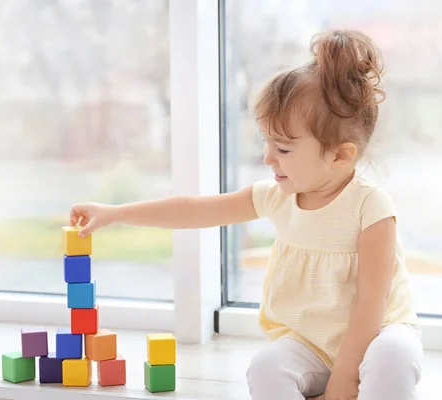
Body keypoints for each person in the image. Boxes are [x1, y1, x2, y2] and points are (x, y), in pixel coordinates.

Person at [70, 29, 423, 400]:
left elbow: (371, 306)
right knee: (266, 368)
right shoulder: (277, 197)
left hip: (377, 333)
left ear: (339, 155)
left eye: (283, 149)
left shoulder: (371, 208)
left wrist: (342, 384)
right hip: (313, 345)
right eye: (266, 143)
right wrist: (114, 213)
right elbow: (194, 210)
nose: (268, 158)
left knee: (393, 356)